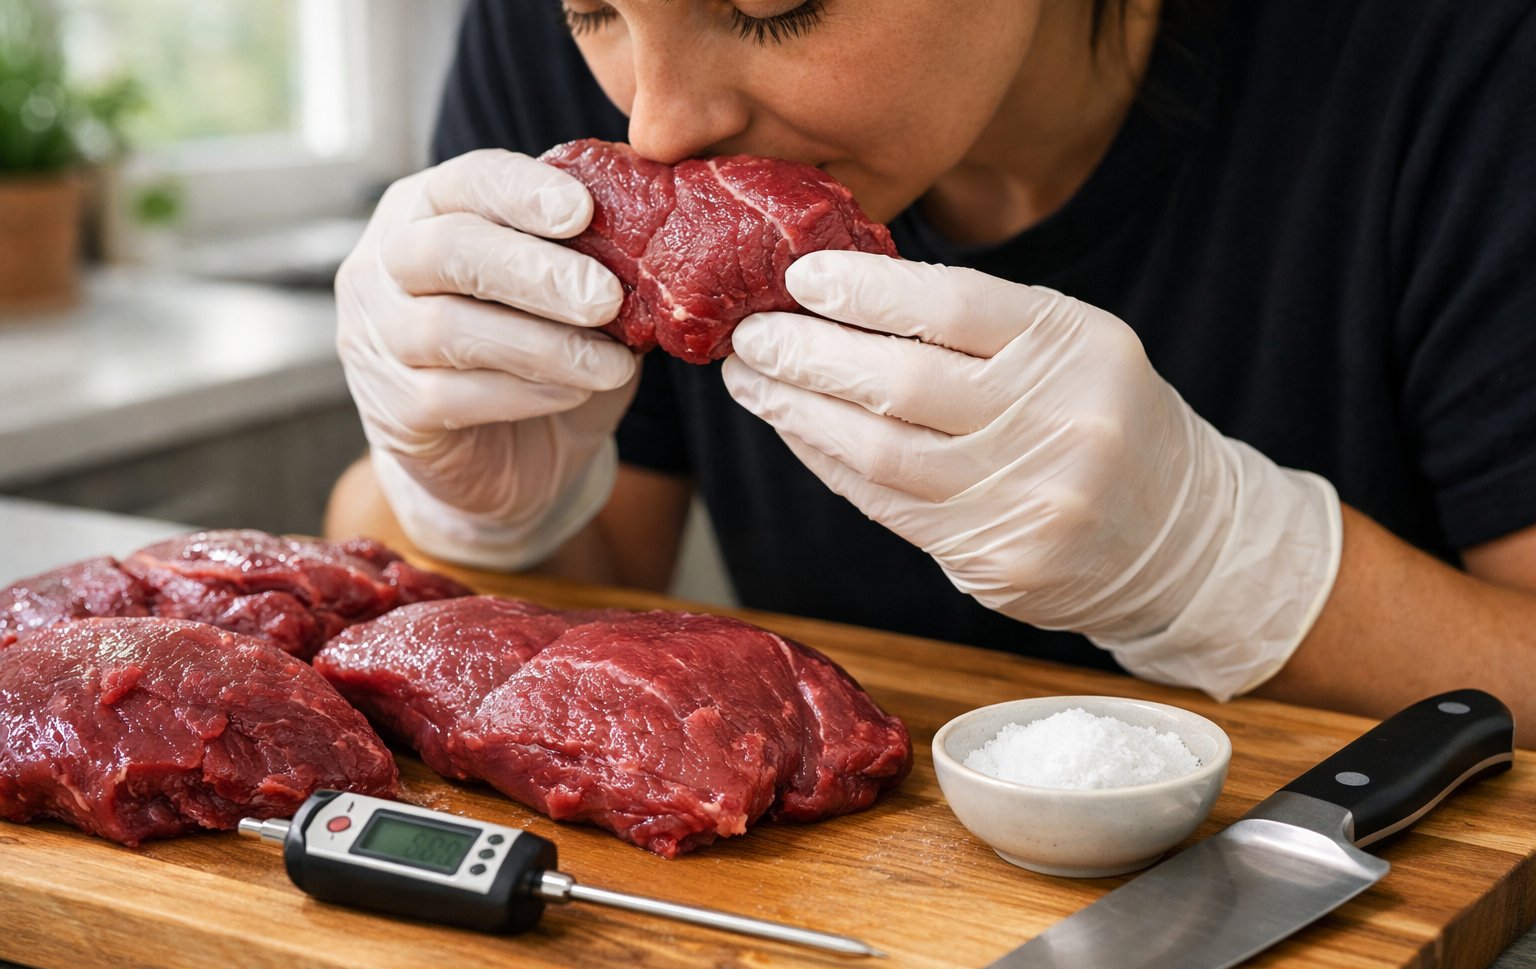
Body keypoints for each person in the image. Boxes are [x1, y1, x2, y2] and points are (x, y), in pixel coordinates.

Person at [328, 0, 1536, 740]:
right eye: (590, 8)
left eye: (772, 2)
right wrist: (465, 499)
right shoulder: (602, 71)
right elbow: (575, 604)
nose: (661, 126)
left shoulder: (1467, 58)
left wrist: (1226, 563)